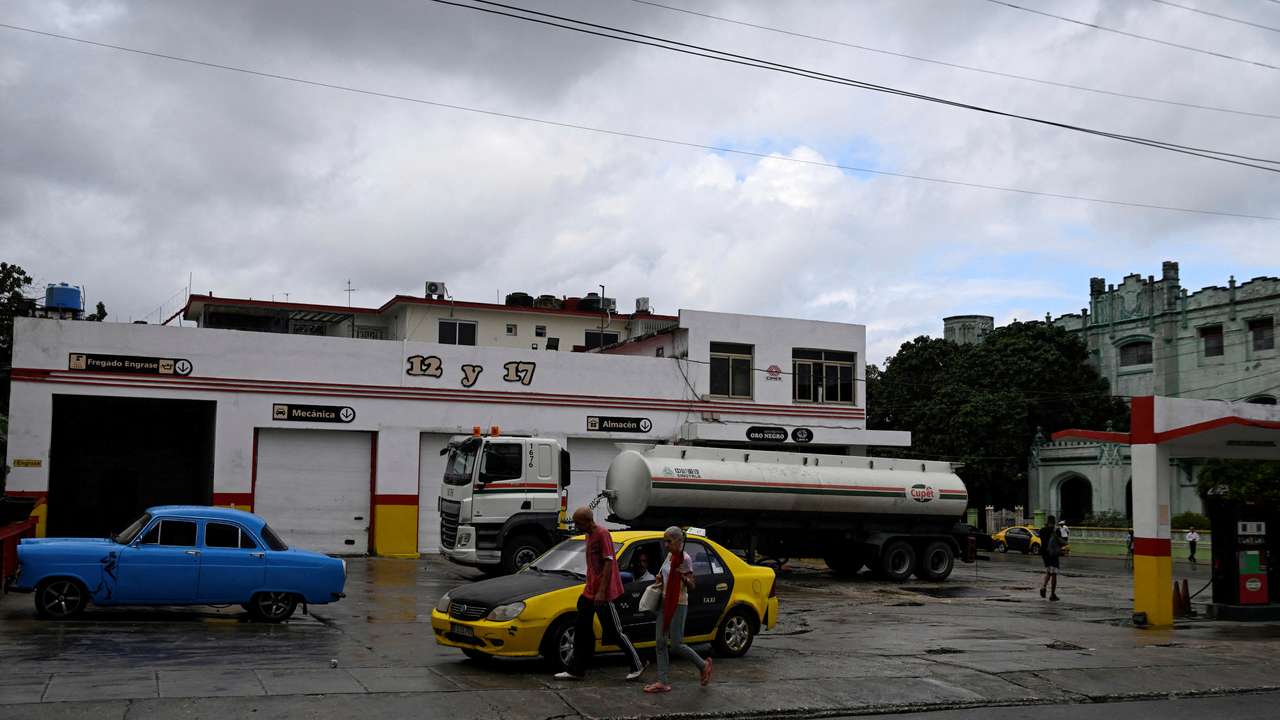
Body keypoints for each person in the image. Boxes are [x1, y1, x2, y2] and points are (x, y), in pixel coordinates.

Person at [555, 507, 646, 681]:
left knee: (614, 631)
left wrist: (602, 591)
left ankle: (638, 663)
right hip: (590, 591)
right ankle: (576, 669)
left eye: (579, 523)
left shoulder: (602, 534)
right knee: (581, 629)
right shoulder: (588, 535)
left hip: (604, 593)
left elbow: (608, 563)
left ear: (588, 521)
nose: (577, 526)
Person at [644, 527, 712, 694]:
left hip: (679, 603)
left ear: (678, 541)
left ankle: (703, 665)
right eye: (664, 541)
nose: (666, 545)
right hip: (664, 601)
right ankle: (663, 681)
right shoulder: (669, 556)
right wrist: (660, 579)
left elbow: (692, 584)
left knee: (676, 645)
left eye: (669, 541)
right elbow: (663, 575)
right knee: (660, 642)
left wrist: (683, 577)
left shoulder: (685, 559)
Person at [1038, 514, 1064, 601]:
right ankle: (1052, 594)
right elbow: (1060, 542)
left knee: (1049, 571)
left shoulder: (1042, 530)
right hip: (1053, 554)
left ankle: (1043, 587)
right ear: (1054, 522)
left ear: (1047, 521)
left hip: (1044, 554)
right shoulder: (1056, 531)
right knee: (1054, 574)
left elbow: (1040, 537)